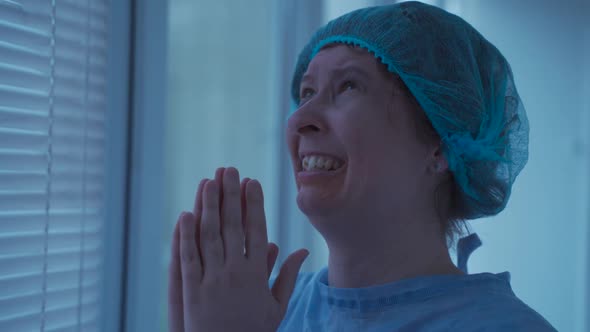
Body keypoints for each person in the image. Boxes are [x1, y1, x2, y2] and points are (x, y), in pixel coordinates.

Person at [168, 2, 557, 331]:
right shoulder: (258, 307)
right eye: (306, 92)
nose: (299, 119)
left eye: (348, 86)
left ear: (440, 144)